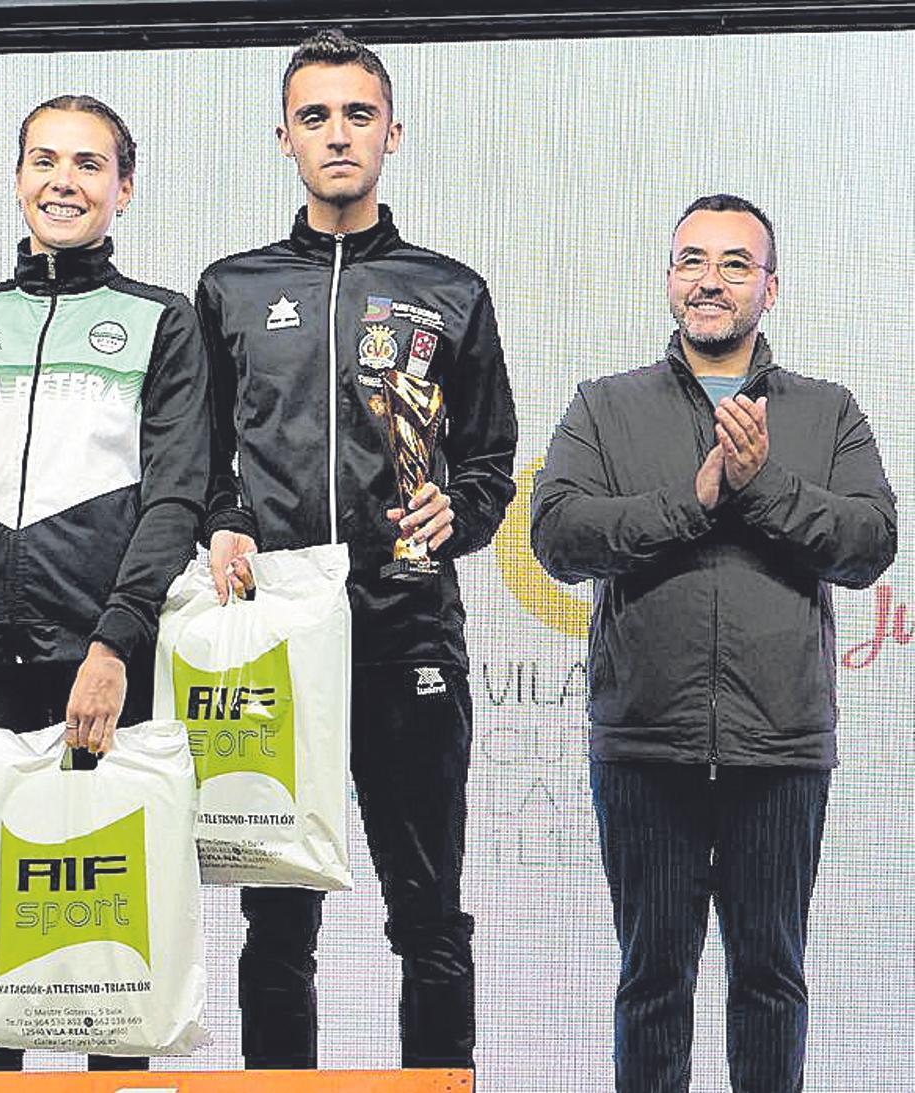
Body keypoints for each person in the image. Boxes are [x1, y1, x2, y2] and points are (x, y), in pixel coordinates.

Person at [197, 30, 517, 1071]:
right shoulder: (232, 290)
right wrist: (221, 521)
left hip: (405, 631)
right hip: (271, 645)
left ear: (393, 131)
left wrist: (457, 515)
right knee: (277, 928)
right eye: (316, 116)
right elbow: (198, 461)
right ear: (283, 137)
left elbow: (491, 461)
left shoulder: (450, 290)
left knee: (428, 918)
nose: (339, 134)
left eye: (359, 114)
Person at [530, 194, 897, 1092]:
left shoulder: (826, 411)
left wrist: (761, 485)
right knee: (653, 981)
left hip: (780, 747)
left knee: (770, 979)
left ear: (771, 289)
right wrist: (691, 501)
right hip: (645, 745)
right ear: (668, 280)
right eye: (692, 260)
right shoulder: (604, 407)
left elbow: (869, 541)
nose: (711, 279)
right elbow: (557, 535)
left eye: (736, 263)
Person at [0, 94, 209, 1072]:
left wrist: (116, 644)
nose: (61, 181)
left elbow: (175, 501)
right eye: (43, 161)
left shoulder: (161, 320)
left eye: (87, 164)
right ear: (18, 177)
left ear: (123, 187)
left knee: (113, 940)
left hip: (104, 659)